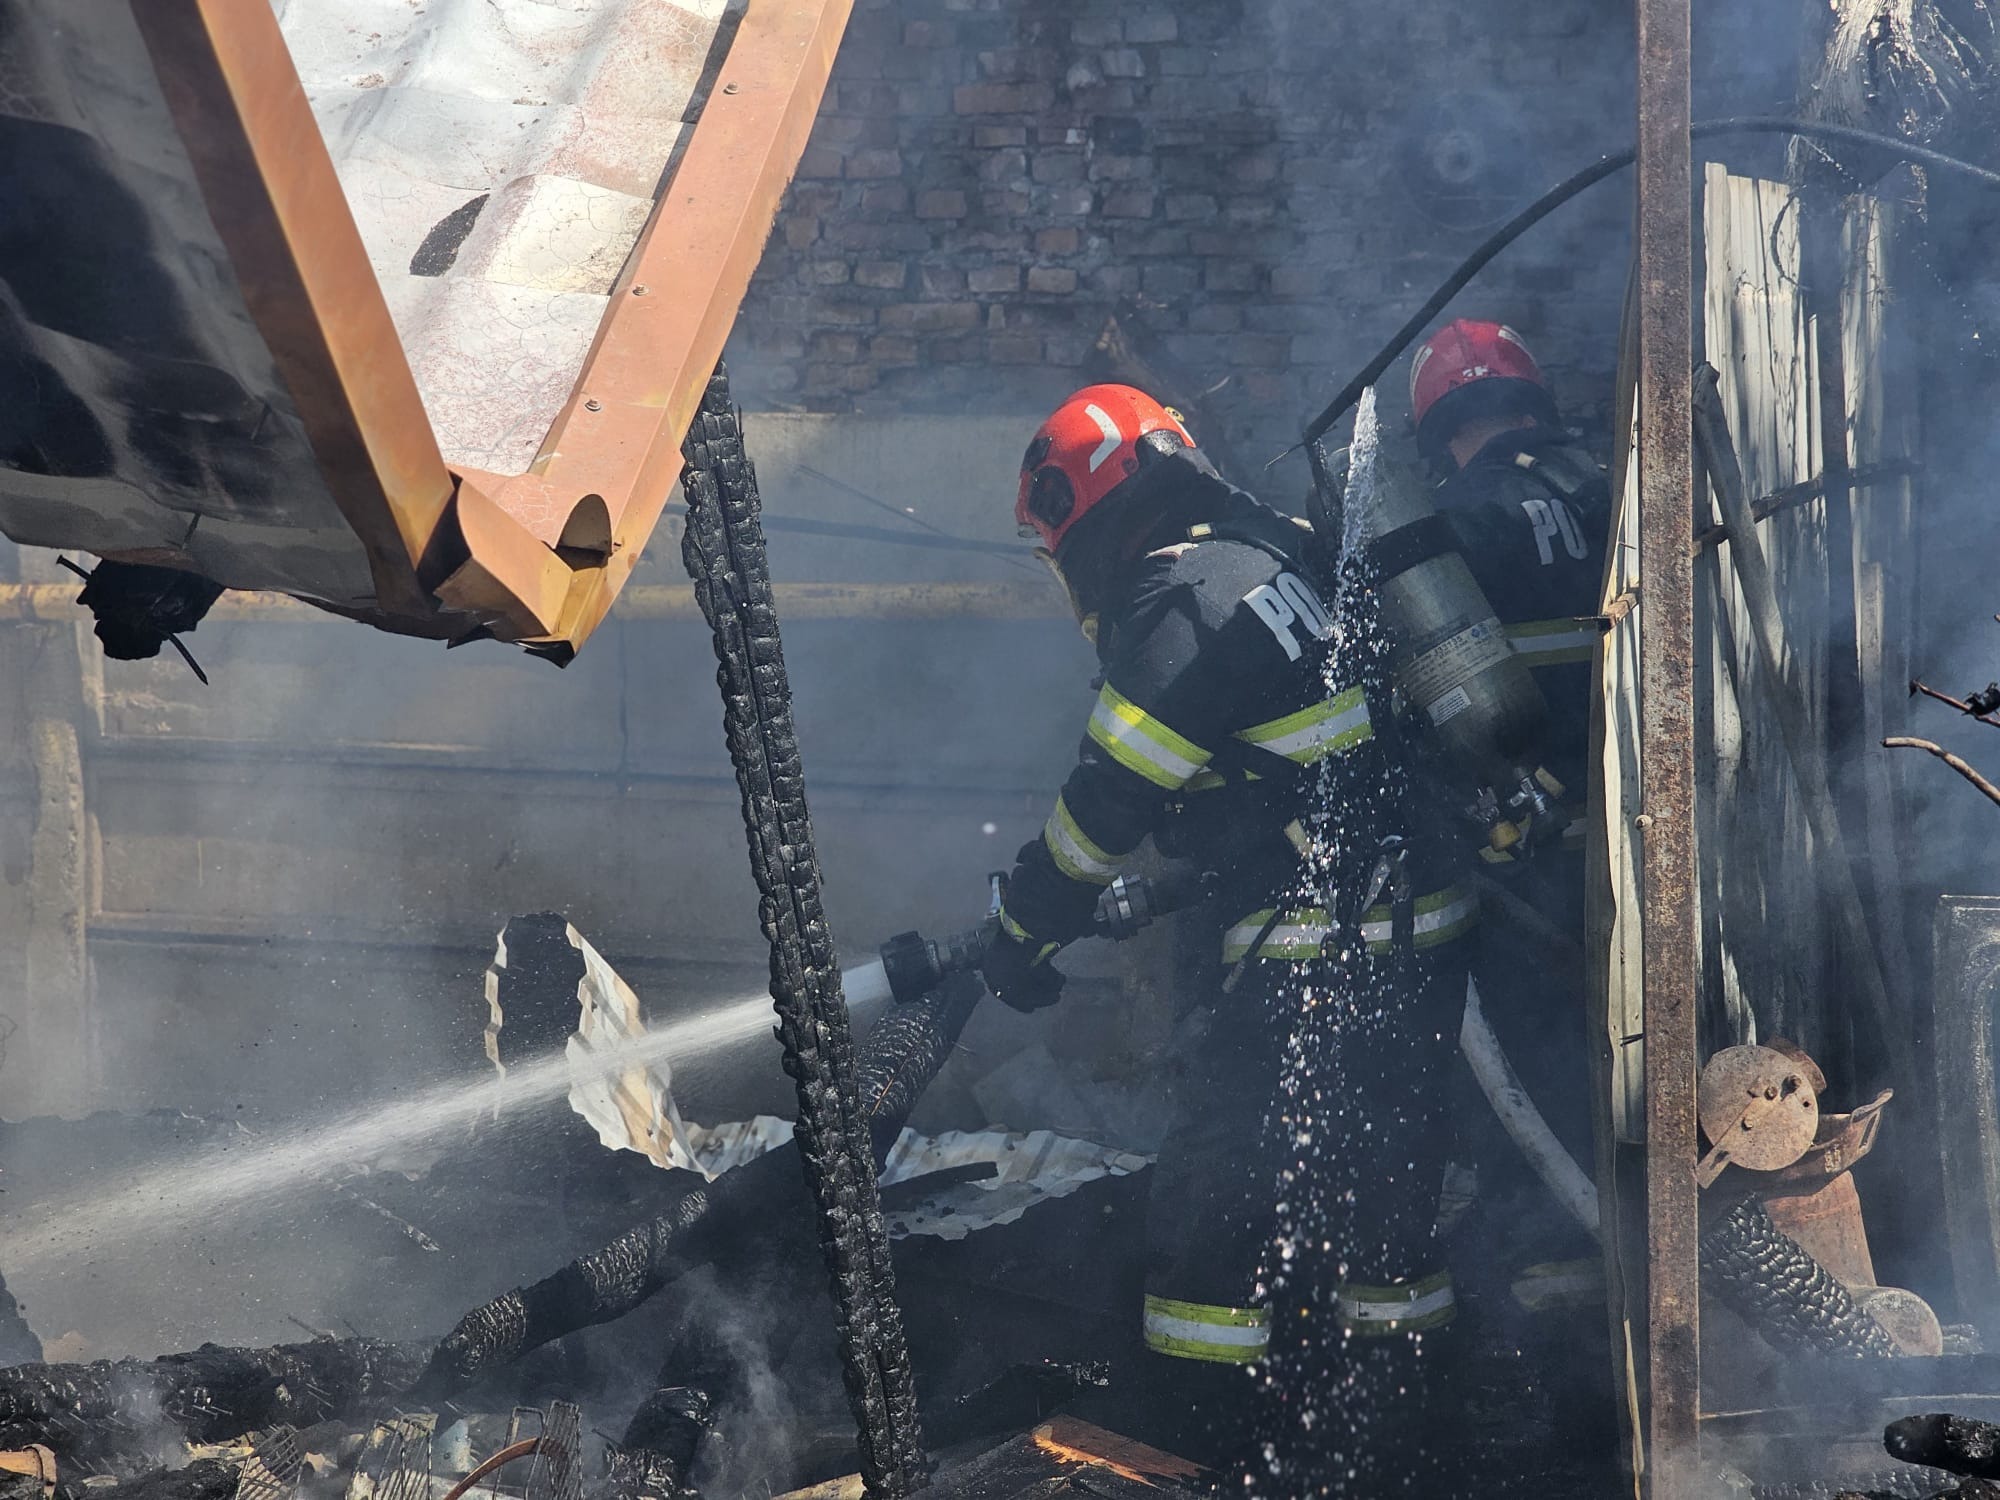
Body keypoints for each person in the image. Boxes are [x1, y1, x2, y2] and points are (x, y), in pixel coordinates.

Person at [977, 384, 1477, 1479]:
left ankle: (1198, 1442)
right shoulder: (1279, 548)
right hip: (1414, 936)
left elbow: (1107, 801)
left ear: (1077, 504)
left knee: (1216, 1203)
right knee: (1385, 1202)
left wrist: (1023, 926)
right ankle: (1400, 1439)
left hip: (1311, 952)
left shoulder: (1180, 594)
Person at [1409, 319, 1613, 804]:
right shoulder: (1609, 487)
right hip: (1630, 761)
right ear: (1529, 414)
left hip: (1525, 793)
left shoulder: (1447, 517)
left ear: (1446, 437)